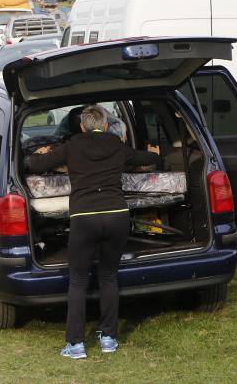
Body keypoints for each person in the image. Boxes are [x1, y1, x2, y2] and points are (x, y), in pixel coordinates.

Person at [24, 105, 161, 359]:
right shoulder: (116, 144)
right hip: (116, 216)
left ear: (82, 126)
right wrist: (155, 153)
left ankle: (75, 344)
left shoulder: (73, 145)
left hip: (84, 218)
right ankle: (108, 338)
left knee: (78, 281)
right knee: (108, 276)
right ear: (106, 125)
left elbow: (35, 163)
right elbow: (145, 159)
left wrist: (39, 154)